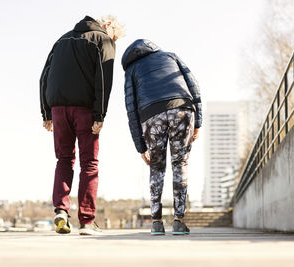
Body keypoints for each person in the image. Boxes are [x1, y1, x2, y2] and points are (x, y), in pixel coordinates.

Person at [40, 15, 124, 235]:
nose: (113, 40)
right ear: (109, 27)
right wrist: (100, 115)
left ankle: (60, 211)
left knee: (64, 160)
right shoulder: (103, 40)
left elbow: (44, 76)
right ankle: (87, 221)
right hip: (85, 110)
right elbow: (105, 79)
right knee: (89, 164)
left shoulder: (61, 40)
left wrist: (45, 112)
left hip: (57, 109)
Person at [122, 39, 202, 235]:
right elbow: (194, 86)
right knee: (180, 163)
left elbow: (131, 109)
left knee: (157, 168)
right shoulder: (170, 55)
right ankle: (178, 221)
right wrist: (198, 120)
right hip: (182, 108)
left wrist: (140, 146)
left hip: (151, 115)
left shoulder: (131, 70)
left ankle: (156, 222)